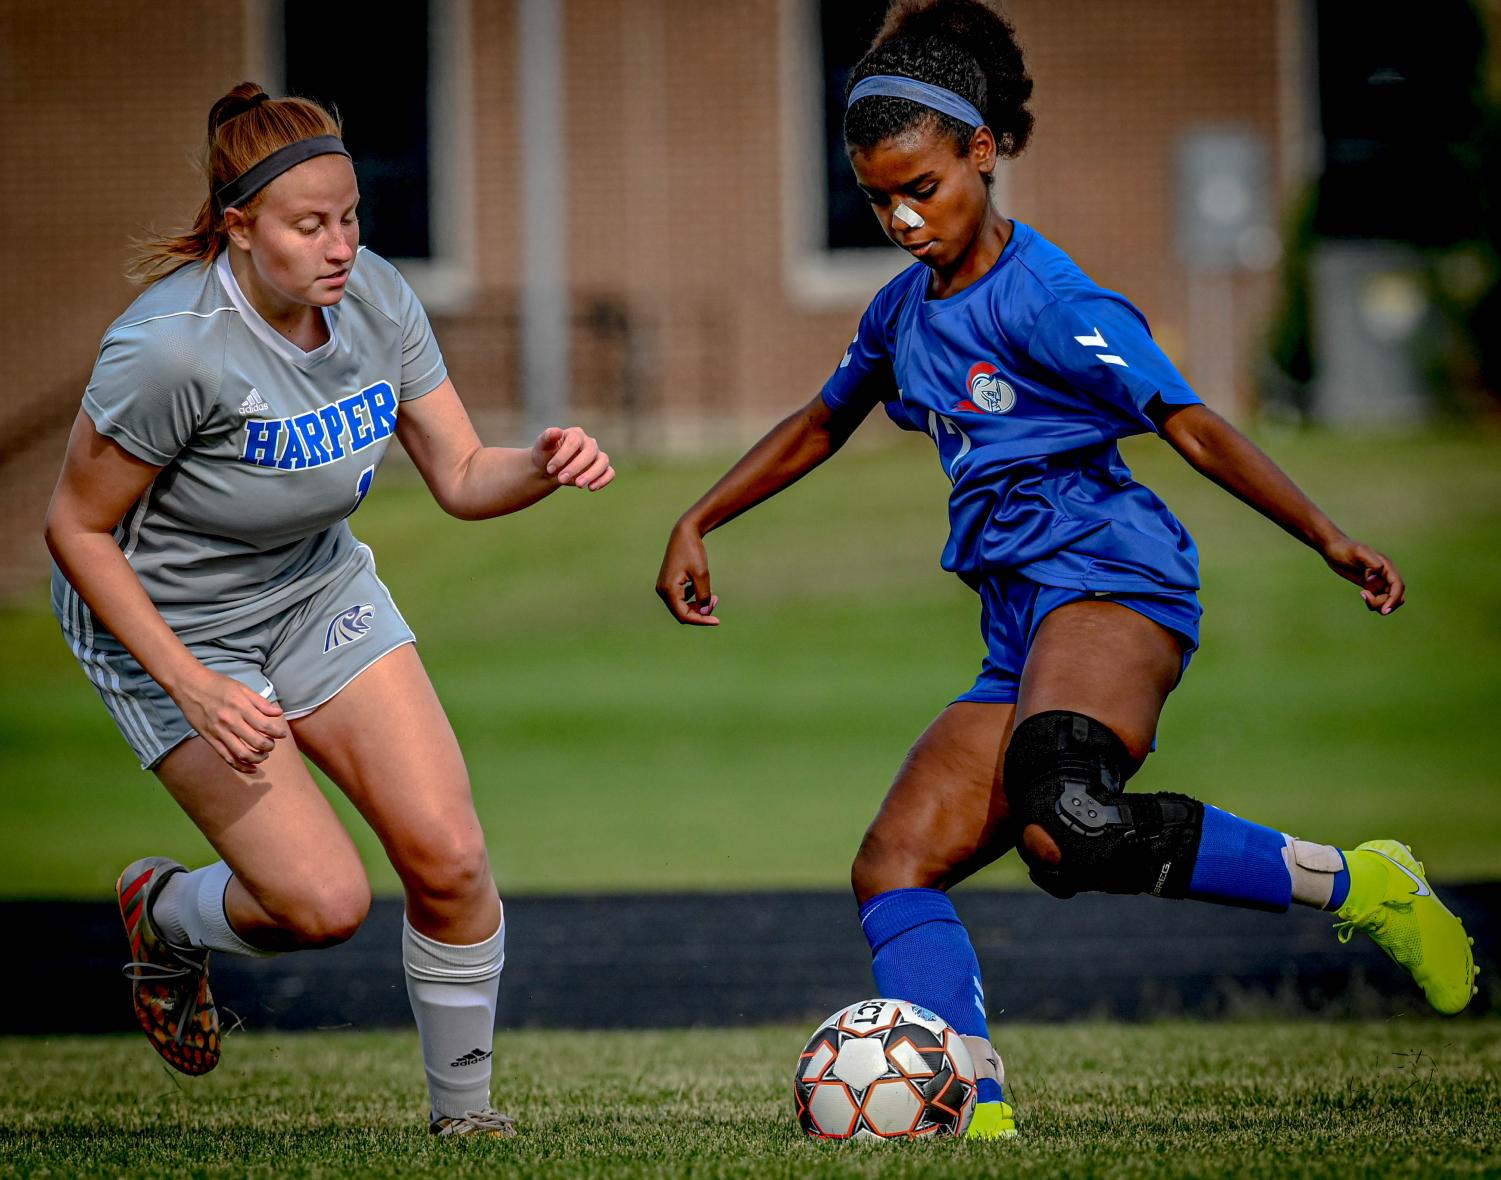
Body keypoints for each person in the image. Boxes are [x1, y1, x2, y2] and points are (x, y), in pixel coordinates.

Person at [656, 0, 1476, 1140]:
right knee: (895, 865)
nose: (900, 217)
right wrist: (700, 516)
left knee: (1072, 821)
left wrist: (1326, 535)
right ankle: (975, 1109)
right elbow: (819, 419)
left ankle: (1366, 886)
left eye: (922, 188)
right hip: (1021, 628)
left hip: (1112, 578)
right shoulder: (901, 314)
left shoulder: (1051, 299)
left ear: (980, 153)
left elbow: (1188, 421)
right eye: (878, 197)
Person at [44, 83, 615, 1137]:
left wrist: (539, 463)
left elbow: (461, 475)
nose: (340, 245)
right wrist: (195, 684)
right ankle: (166, 913)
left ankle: (466, 1121)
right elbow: (75, 531)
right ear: (240, 227)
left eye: (349, 217)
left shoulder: (379, 302)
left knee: (449, 855)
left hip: (314, 589)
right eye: (310, 226)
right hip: (176, 628)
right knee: (321, 907)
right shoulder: (170, 350)